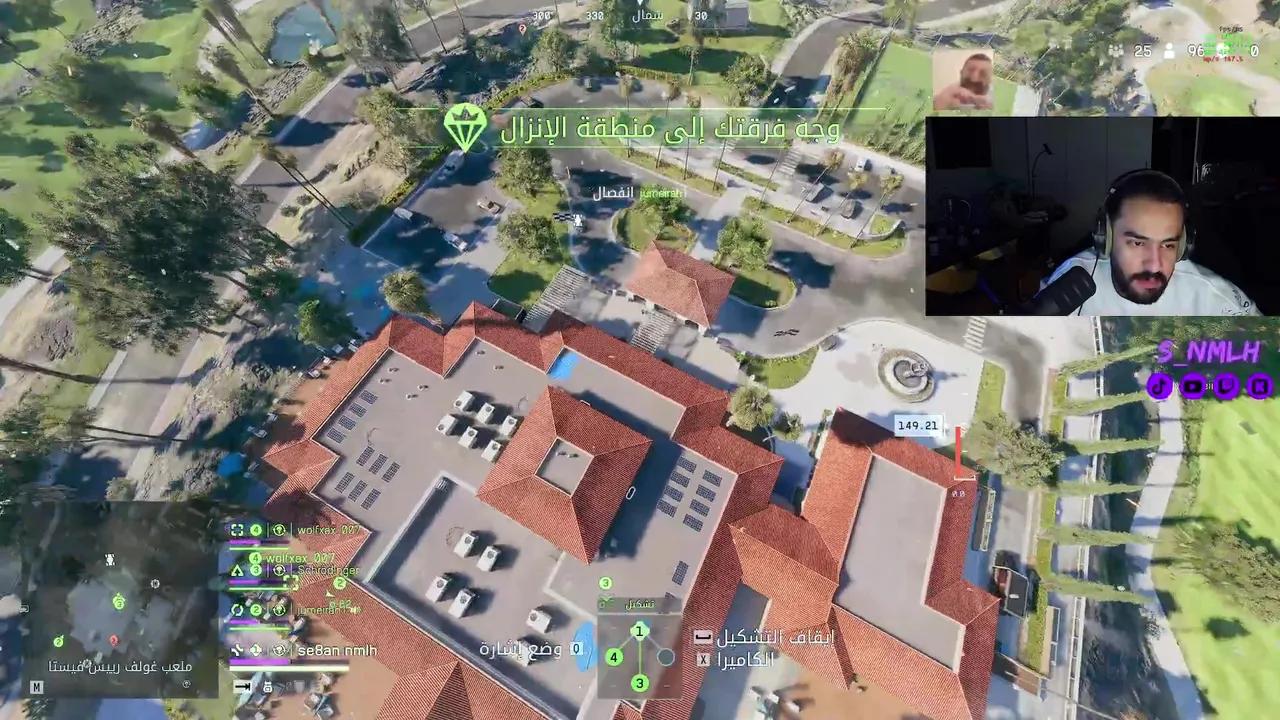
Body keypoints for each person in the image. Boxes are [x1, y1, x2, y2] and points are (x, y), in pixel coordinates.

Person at [1046, 170, 1258, 316]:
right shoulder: (1071, 283)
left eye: (1168, 245)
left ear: (1183, 246)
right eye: (1137, 243)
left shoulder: (1212, 298)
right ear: (1105, 238)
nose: (1155, 265)